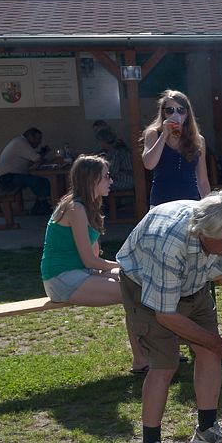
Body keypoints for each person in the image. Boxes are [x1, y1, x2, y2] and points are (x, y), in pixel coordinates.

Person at [116, 192, 222, 443]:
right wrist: (219, 343)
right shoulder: (170, 242)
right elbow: (166, 314)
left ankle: (207, 430)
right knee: (164, 364)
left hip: (195, 285)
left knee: (209, 352)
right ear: (203, 234)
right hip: (145, 285)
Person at [40, 154, 146, 372]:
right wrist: (121, 267)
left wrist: (120, 269)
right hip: (61, 278)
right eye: (106, 176)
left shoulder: (88, 207)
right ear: (91, 180)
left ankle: (148, 356)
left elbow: (93, 258)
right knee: (135, 291)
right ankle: (144, 359)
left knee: (137, 284)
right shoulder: (75, 209)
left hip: (80, 272)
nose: (111, 181)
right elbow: (90, 259)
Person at [141, 89, 210, 207]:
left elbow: (202, 180)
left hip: (189, 203)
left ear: (187, 114)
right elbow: (149, 164)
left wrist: (208, 206)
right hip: (161, 203)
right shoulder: (153, 134)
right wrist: (164, 135)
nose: (175, 115)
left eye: (181, 110)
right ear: (163, 113)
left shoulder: (198, 140)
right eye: (170, 110)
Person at [0, 127, 52, 215]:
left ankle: (40, 205)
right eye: (37, 139)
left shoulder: (21, 142)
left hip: (13, 175)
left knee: (42, 181)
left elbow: (32, 160)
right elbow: (37, 159)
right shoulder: (20, 143)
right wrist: (42, 157)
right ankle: (42, 206)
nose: (39, 142)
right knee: (37, 181)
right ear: (30, 136)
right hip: (7, 178)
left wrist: (41, 155)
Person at [96, 128, 134, 193]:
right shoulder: (115, 148)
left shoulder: (116, 150)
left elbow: (113, 171)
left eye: (100, 141)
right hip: (126, 179)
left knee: (99, 184)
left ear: (104, 141)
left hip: (126, 180)